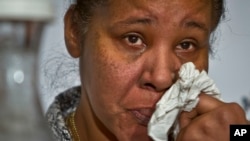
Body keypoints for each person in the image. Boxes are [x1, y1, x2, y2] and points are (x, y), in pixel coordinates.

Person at [46, 0, 249, 140]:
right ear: (75, 32)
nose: (161, 78)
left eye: (186, 45)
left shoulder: (230, 132)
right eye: (133, 39)